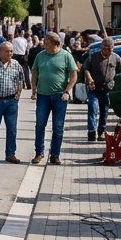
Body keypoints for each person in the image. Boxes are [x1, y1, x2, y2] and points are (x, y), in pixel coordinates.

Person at [31, 32, 79, 166]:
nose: (43, 43)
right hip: (43, 96)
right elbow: (35, 72)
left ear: (54, 43)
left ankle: (55, 155)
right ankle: (39, 153)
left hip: (60, 96)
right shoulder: (40, 56)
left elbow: (74, 75)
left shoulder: (66, 55)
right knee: (40, 125)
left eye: (46, 42)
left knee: (58, 127)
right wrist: (34, 88)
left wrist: (67, 91)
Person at [84, 36, 121, 142]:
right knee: (93, 108)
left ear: (112, 48)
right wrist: (89, 79)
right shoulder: (93, 56)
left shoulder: (116, 57)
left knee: (104, 111)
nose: (107, 51)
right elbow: (86, 69)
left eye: (110, 49)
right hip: (93, 88)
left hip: (106, 89)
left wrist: (116, 80)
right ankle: (91, 132)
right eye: (105, 48)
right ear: (102, 47)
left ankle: (101, 132)